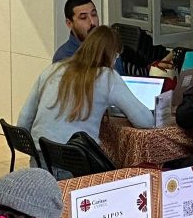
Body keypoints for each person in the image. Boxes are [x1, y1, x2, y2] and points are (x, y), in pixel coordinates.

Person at [18, 25, 153, 166]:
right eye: (117, 55)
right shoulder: (107, 77)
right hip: (74, 163)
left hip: (39, 161)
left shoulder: (53, 69)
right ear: (112, 54)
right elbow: (145, 121)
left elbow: (23, 120)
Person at [53, 0, 123, 74]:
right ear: (69, 23)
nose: (92, 22)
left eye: (94, 15)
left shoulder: (109, 46)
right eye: (83, 18)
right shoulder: (64, 57)